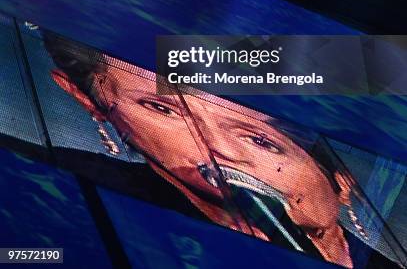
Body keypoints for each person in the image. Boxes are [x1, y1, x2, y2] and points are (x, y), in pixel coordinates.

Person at [44, 33, 404, 268]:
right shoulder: (68, 193)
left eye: (260, 140)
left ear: (343, 185)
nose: (221, 153)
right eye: (163, 109)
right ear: (85, 97)